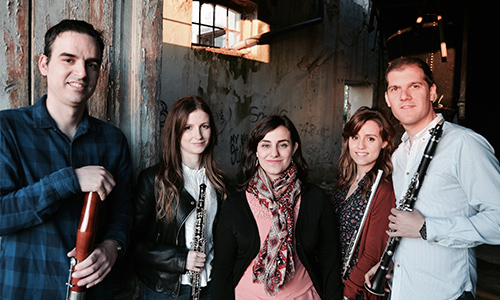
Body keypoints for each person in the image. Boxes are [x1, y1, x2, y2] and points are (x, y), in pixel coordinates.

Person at [0, 19, 133, 299]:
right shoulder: (7, 129)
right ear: (44, 65)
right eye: (68, 59)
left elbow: (123, 215)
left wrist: (112, 246)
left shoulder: (113, 140)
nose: (82, 72)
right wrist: (69, 180)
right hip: (26, 290)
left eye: (92, 64)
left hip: (93, 293)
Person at [364, 57, 500, 300]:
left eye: (414, 86)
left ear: (432, 91)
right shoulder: (399, 155)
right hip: (403, 289)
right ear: (387, 98)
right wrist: (393, 261)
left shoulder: (464, 144)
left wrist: (428, 228)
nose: (404, 95)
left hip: (447, 292)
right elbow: (406, 224)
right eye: (396, 88)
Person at [211, 115, 342, 300]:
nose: (274, 153)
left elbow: (330, 261)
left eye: (282, 145)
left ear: (294, 148)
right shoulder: (234, 205)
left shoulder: (315, 199)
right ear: (255, 150)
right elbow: (222, 271)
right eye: (265, 145)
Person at [131, 95, 226, 300]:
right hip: (168, 290)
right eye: (188, 127)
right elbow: (133, 244)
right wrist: (181, 259)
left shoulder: (219, 182)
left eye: (205, 126)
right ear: (176, 132)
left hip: (209, 286)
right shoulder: (153, 180)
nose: (198, 135)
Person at [331, 107, 396, 300]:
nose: (360, 146)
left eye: (370, 139)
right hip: (334, 281)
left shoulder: (384, 190)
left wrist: (348, 292)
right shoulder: (344, 180)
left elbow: (372, 255)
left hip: (355, 290)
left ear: (384, 143)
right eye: (355, 137)